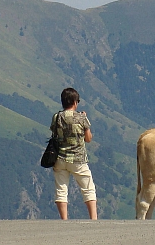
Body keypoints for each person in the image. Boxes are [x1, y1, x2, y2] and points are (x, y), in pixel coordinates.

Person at [51, 88, 97, 220]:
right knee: (88, 188)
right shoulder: (81, 118)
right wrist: (84, 120)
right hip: (78, 159)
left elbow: (54, 134)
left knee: (61, 190)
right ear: (75, 102)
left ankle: (64, 220)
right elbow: (88, 139)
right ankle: (93, 219)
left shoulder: (56, 117)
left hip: (60, 158)